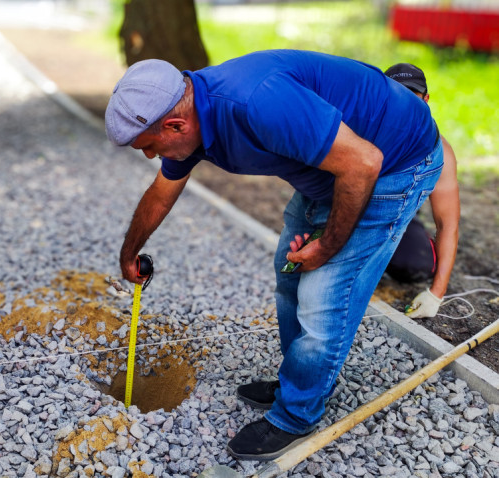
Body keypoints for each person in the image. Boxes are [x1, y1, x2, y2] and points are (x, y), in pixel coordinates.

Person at [104, 50, 442, 460]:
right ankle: (300, 380)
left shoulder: (256, 103)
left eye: (149, 146)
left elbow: (364, 163)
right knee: (290, 277)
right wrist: (130, 251)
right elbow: (162, 191)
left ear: (176, 125)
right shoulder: (192, 114)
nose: (149, 156)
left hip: (392, 163)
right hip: (334, 167)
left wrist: (327, 245)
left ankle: (297, 415)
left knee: (324, 297)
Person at [384, 62, 460, 319]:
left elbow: (447, 223)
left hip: (399, 212)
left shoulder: (440, 151)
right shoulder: (362, 129)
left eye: (412, 96)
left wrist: (436, 294)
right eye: (397, 95)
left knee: (416, 264)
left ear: (426, 100)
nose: (405, 104)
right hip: (349, 207)